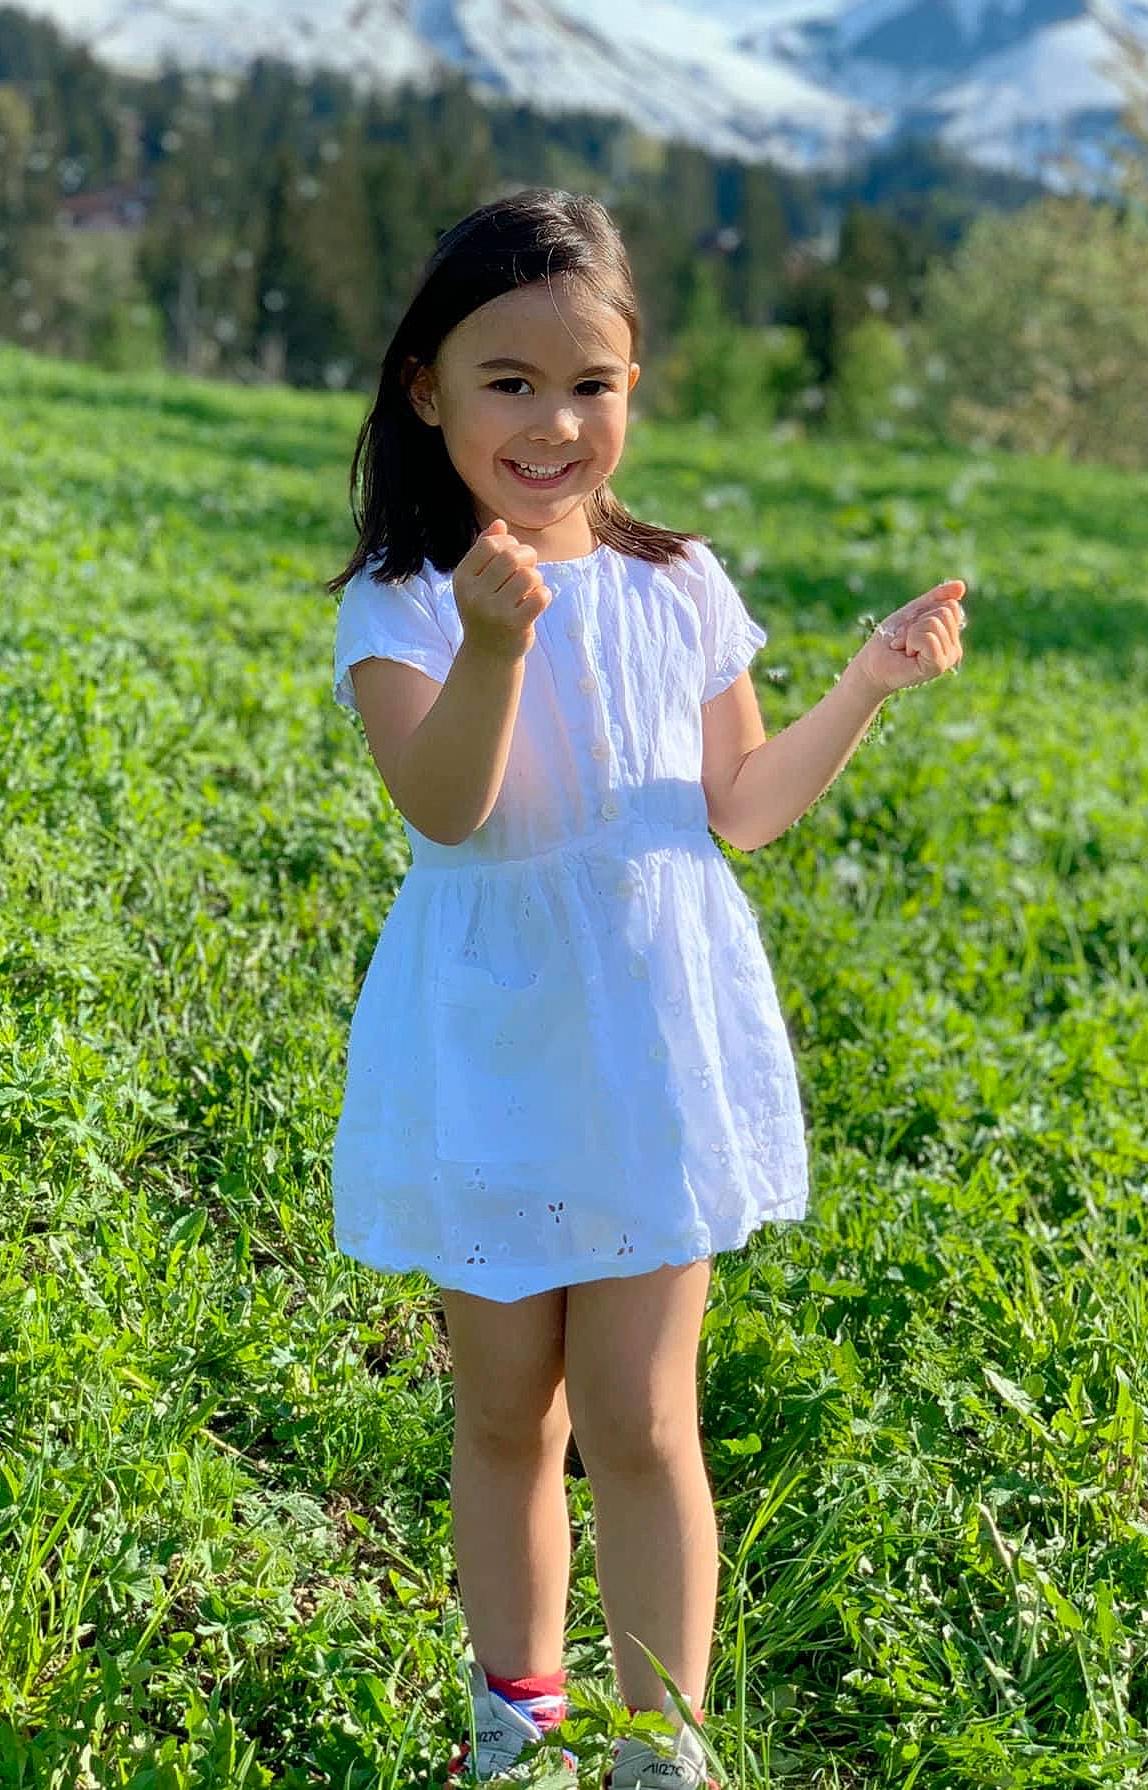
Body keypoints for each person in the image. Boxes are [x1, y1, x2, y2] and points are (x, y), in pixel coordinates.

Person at [324, 189, 966, 1787]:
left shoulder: (676, 579)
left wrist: (865, 684)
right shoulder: (403, 600)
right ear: (426, 388)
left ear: (633, 388)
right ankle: (516, 1720)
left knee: (642, 1414)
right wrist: (491, 646)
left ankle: (660, 1748)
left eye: (590, 384)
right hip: (490, 1042)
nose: (553, 422)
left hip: (649, 1038)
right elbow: (447, 808)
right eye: (509, 382)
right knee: (505, 1411)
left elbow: (736, 806)